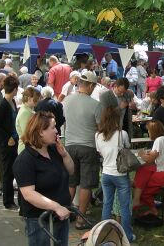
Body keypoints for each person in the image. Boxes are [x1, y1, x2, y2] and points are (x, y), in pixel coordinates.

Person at [13, 112, 74, 246]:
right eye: (53, 127)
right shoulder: (25, 160)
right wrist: (55, 207)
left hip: (61, 216)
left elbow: (71, 170)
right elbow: (29, 194)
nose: (56, 131)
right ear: (40, 132)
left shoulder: (53, 150)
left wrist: (64, 155)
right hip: (40, 220)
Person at [63, 71, 102, 229]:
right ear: (91, 85)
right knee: (86, 184)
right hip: (88, 146)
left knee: (71, 183)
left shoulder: (67, 100)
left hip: (70, 146)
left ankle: (64, 215)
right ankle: (81, 219)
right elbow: (100, 127)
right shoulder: (95, 104)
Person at [95, 105, 135, 242]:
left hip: (106, 173)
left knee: (107, 204)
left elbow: (99, 152)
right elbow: (128, 148)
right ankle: (127, 236)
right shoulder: (122, 134)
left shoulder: (98, 135)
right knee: (124, 207)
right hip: (120, 174)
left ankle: (104, 235)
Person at [132, 121, 164, 215]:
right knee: (143, 169)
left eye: (148, 130)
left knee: (145, 183)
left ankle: (140, 199)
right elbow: (154, 157)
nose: (148, 132)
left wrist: (141, 154)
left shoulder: (159, 140)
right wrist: (147, 154)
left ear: (153, 131)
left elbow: (150, 160)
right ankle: (138, 197)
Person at [0, 76, 20, 210]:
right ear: (14, 89)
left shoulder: (13, 102)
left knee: (13, 169)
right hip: (6, 143)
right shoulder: (3, 104)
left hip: (14, 140)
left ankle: (11, 196)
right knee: (7, 171)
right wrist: (7, 138)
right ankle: (8, 201)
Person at [16, 87, 41, 153]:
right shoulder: (25, 112)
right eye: (36, 99)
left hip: (29, 148)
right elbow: (27, 134)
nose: (38, 101)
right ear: (29, 98)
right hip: (26, 149)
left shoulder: (28, 110)